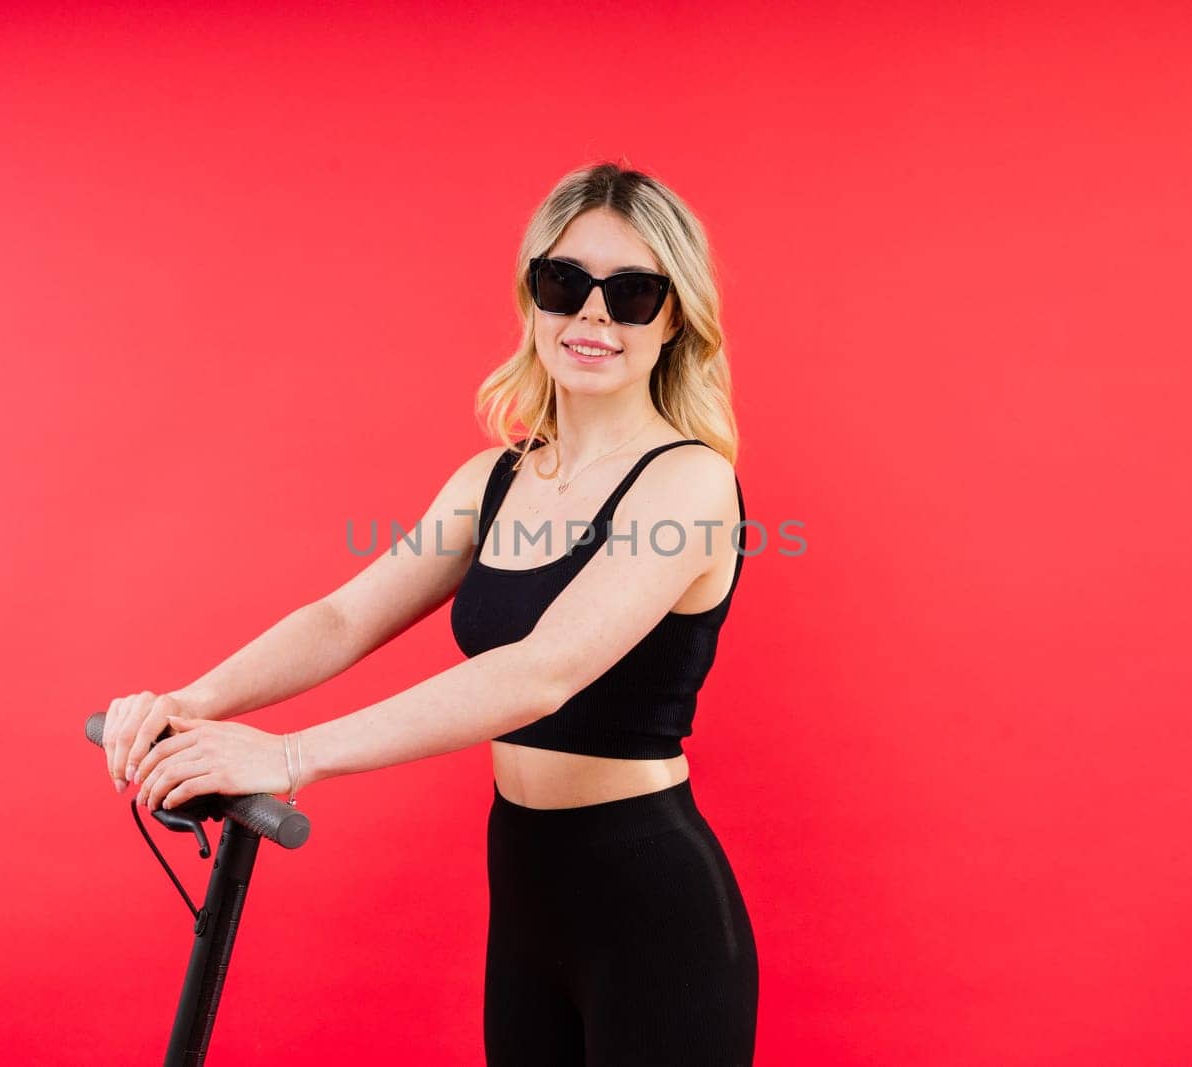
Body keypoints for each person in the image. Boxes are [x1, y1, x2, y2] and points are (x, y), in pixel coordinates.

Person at [101, 161, 758, 1065]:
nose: (594, 316)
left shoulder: (688, 481)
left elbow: (542, 670)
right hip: (527, 897)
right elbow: (341, 619)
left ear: (673, 316)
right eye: (566, 283)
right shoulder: (494, 480)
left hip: (653, 911)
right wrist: (192, 700)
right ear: (533, 297)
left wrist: (295, 754)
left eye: (633, 293)